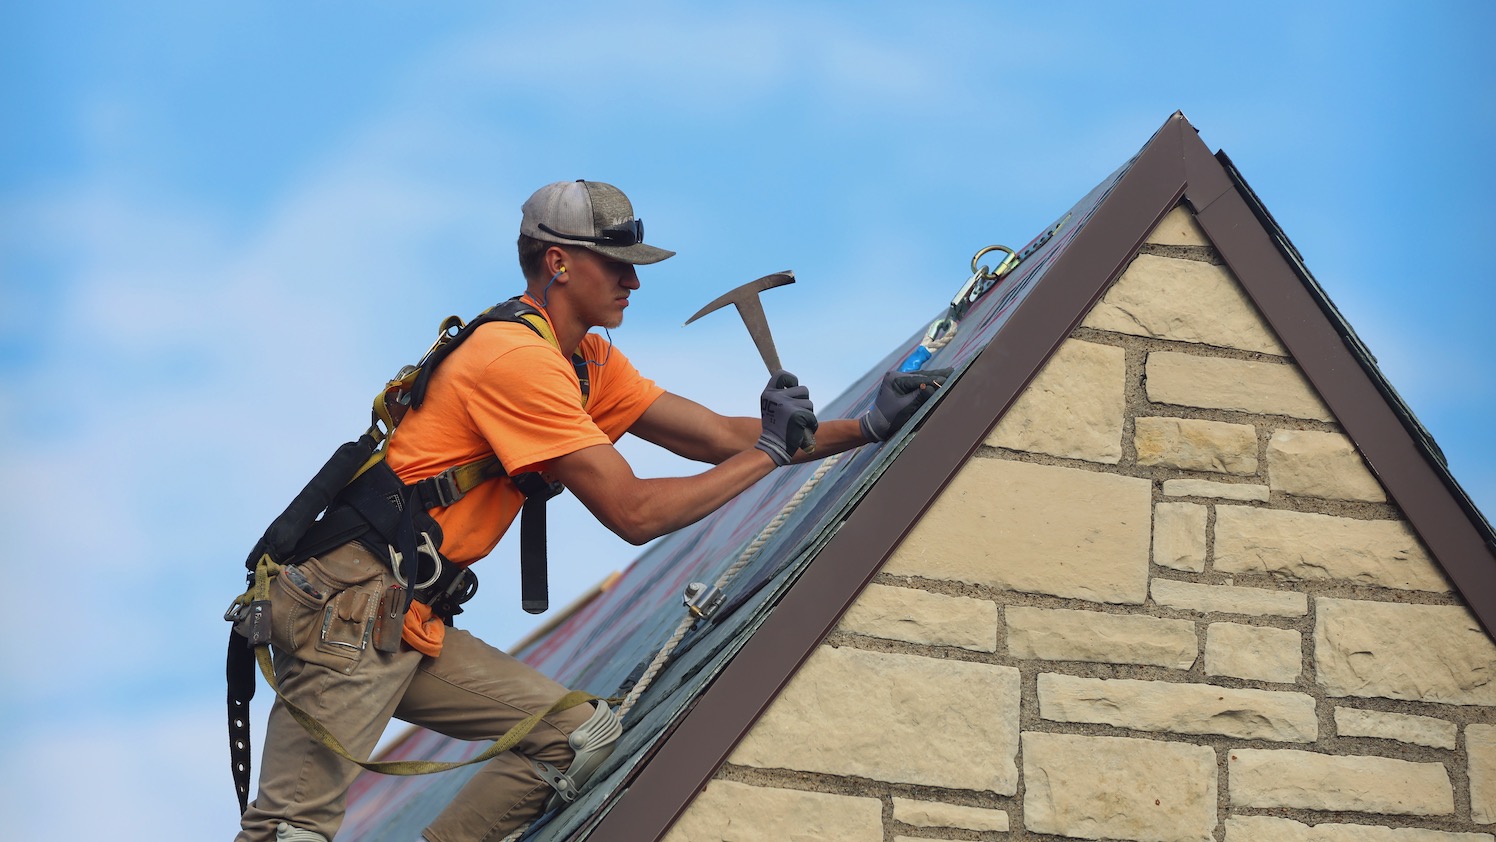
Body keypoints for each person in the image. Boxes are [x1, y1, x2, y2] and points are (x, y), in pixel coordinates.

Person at [236, 180, 945, 842]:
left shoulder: (585, 361)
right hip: (350, 610)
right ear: (559, 263)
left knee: (577, 737)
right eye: (617, 265)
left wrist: (866, 427)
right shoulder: (516, 360)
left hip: (407, 621)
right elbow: (634, 510)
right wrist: (765, 455)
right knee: (289, 833)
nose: (634, 282)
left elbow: (721, 438)